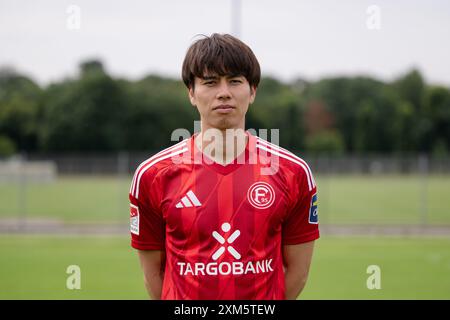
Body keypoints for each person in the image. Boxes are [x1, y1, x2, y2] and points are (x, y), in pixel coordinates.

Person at [129, 33, 319, 300]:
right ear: (191, 93)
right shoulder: (152, 175)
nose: (224, 93)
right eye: (210, 82)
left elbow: (298, 271)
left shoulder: (293, 172)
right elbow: (154, 276)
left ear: (252, 91)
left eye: (235, 81)